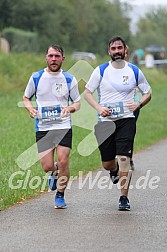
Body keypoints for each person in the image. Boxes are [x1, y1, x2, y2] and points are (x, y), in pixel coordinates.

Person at [84, 35, 151, 211]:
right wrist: (99, 108)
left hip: (126, 120)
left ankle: (123, 198)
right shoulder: (100, 70)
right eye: (113, 49)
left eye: (119, 48)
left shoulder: (134, 71)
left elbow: (147, 92)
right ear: (109, 51)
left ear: (124, 50)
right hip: (105, 122)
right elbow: (87, 93)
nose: (116, 52)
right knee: (107, 163)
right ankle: (113, 171)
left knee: (123, 158)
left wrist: (139, 104)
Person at [23, 44, 81, 209]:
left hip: (63, 125)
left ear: (63, 58)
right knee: (47, 166)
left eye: (57, 56)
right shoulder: (36, 77)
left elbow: (77, 103)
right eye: (51, 56)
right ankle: (54, 172)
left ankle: (60, 196)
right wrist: (30, 109)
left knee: (63, 161)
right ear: (46, 58)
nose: (54, 59)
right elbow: (26, 97)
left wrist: (69, 108)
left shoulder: (69, 79)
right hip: (43, 127)